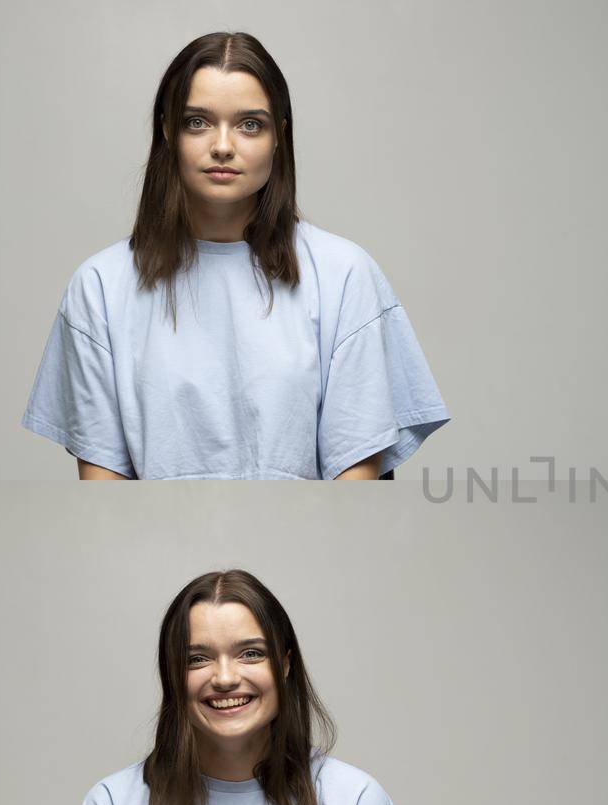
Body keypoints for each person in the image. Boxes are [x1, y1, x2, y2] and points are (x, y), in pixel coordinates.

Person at [22, 32, 448, 479]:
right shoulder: (100, 286)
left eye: (250, 125)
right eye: (197, 122)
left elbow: (356, 492)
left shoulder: (344, 275)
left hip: (311, 549)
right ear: (167, 130)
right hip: (149, 549)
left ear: (279, 137)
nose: (223, 146)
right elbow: (102, 496)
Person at [49, 570, 445, 805]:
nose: (224, 678)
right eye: (198, 658)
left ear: (285, 665)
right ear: (173, 675)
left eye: (251, 653)